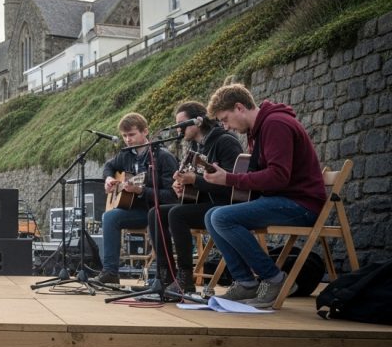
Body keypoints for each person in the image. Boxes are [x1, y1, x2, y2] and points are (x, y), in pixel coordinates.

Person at [203, 83, 326, 308]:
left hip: (301, 204)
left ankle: (274, 278)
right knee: (212, 215)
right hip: (282, 200)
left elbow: (278, 176)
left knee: (221, 217)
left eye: (226, 119)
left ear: (239, 107)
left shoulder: (276, 124)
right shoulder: (258, 130)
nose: (226, 127)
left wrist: (229, 178)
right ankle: (245, 282)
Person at [145, 101, 242, 293]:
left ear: (198, 121)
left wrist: (194, 180)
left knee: (177, 214)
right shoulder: (197, 147)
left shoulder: (225, 141)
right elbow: (197, 185)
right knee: (155, 213)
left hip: (226, 205)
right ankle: (165, 275)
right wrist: (183, 185)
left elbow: (234, 184)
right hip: (206, 203)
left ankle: (185, 278)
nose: (179, 129)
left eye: (182, 124)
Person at [94, 112, 179, 285]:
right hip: (136, 209)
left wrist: (141, 190)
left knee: (153, 216)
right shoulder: (126, 154)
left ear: (145, 131)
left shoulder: (163, 157)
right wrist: (108, 178)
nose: (128, 139)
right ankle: (110, 272)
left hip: (157, 210)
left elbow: (171, 195)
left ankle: (164, 276)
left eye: (131, 134)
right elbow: (109, 166)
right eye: (124, 136)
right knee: (109, 217)